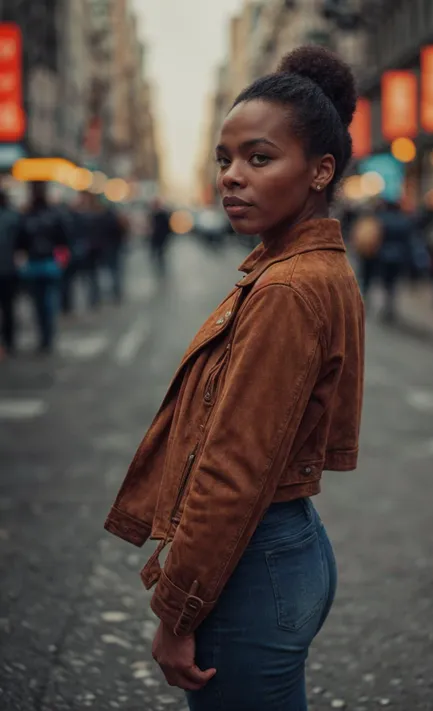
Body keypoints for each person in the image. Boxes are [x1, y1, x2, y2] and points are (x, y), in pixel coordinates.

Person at [104, 45, 364, 711]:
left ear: (320, 170)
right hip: (283, 545)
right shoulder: (310, 269)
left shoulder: (287, 289)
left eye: (259, 157)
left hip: (252, 564)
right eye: (225, 160)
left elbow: (232, 469)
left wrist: (177, 613)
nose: (231, 177)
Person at [17, 182, 69, 354]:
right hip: (48, 263)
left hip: (35, 264)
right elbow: (63, 239)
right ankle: (47, 335)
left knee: (39, 303)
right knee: (48, 301)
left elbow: (20, 242)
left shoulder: (27, 217)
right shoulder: (53, 215)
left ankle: (44, 336)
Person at [0, 190, 22, 356]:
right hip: (9, 270)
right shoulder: (14, 217)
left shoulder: (13, 217)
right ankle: (9, 342)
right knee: (9, 309)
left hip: (7, 268)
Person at [149, 199, 171, 275]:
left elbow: (167, 227)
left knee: (160, 253)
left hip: (161, 237)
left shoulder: (162, 215)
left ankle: (160, 266)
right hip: (155, 237)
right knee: (156, 252)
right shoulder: (153, 214)